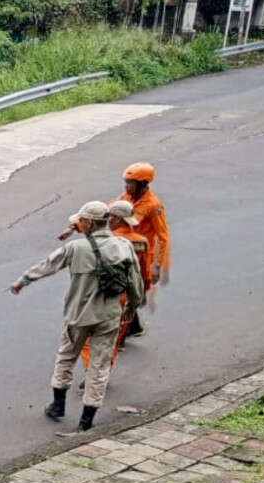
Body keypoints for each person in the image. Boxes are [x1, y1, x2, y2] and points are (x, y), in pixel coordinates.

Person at [9, 201, 144, 431]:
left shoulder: (76, 248)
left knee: (66, 357)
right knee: (99, 367)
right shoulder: (123, 246)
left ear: (90, 222)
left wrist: (22, 281)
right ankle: (86, 421)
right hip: (108, 317)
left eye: (82, 220)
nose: (80, 224)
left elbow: (48, 265)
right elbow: (135, 282)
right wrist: (132, 306)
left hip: (78, 317)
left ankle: (58, 406)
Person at [81, 200, 145, 369]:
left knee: (90, 336)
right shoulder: (139, 240)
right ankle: (105, 367)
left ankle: (92, 370)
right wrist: (135, 301)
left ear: (115, 219)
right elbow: (140, 270)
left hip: (103, 294)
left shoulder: (111, 241)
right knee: (113, 337)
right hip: (126, 292)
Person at [119, 162, 169, 336]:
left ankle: (123, 334)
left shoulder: (154, 206)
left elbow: (163, 238)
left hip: (141, 256)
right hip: (125, 251)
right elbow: (111, 212)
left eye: (130, 183)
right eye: (126, 182)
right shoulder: (126, 197)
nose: (126, 186)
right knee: (126, 292)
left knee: (124, 293)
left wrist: (157, 266)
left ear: (142, 184)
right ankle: (133, 328)